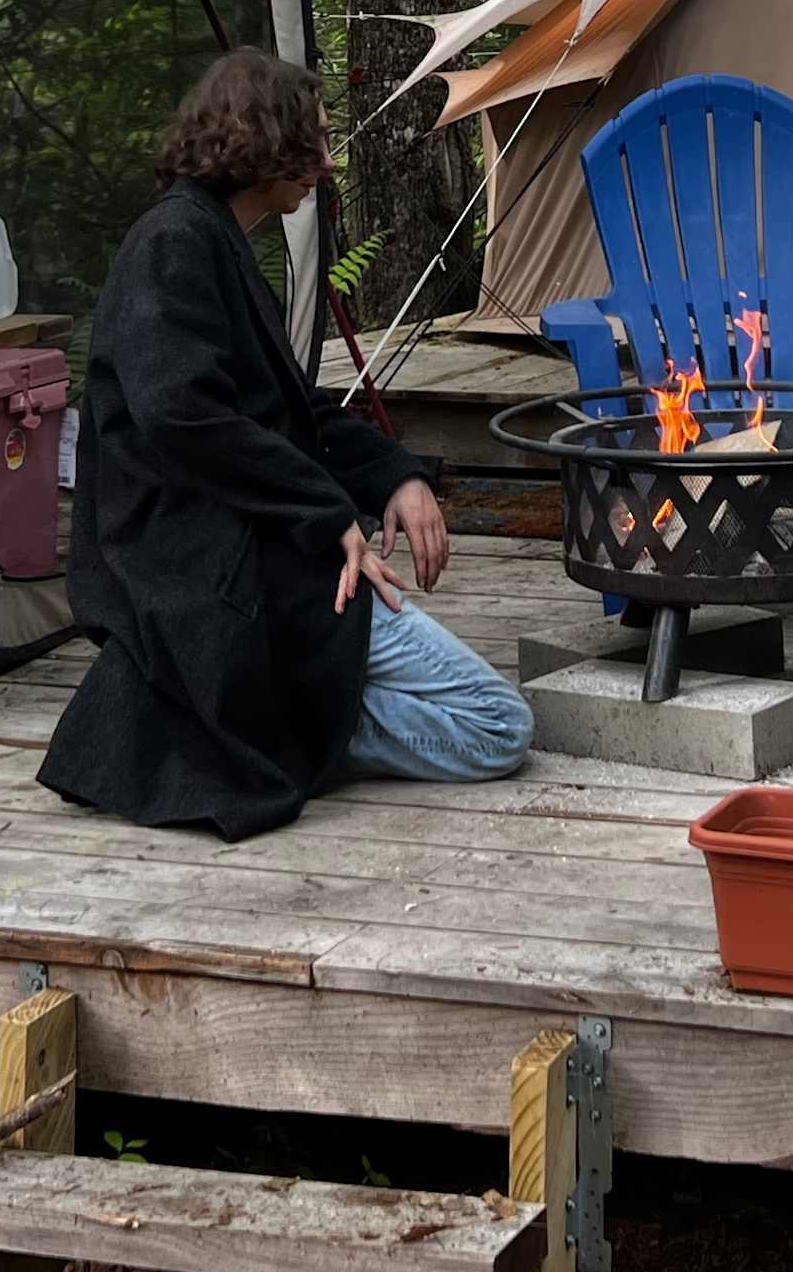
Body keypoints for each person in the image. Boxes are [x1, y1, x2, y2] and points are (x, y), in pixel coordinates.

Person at [37, 49, 532, 837]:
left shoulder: (216, 240)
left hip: (262, 539)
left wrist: (396, 476)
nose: (328, 165)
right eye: (316, 142)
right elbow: (183, 416)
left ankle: (277, 719)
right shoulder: (172, 243)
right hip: (208, 563)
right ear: (262, 142)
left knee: (486, 718)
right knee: (498, 726)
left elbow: (290, 412)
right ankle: (290, 733)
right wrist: (327, 517)